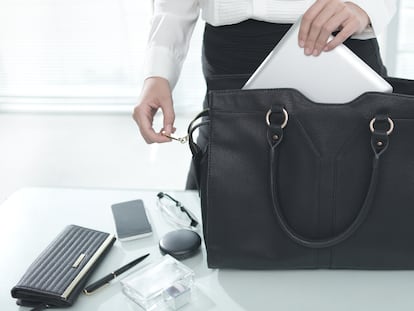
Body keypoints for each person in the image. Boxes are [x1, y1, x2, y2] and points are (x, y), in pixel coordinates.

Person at [133, 0, 397, 188]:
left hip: (337, 42)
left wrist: (367, 6)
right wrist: (158, 71)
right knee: (226, 203)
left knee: (359, 193)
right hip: (233, 59)